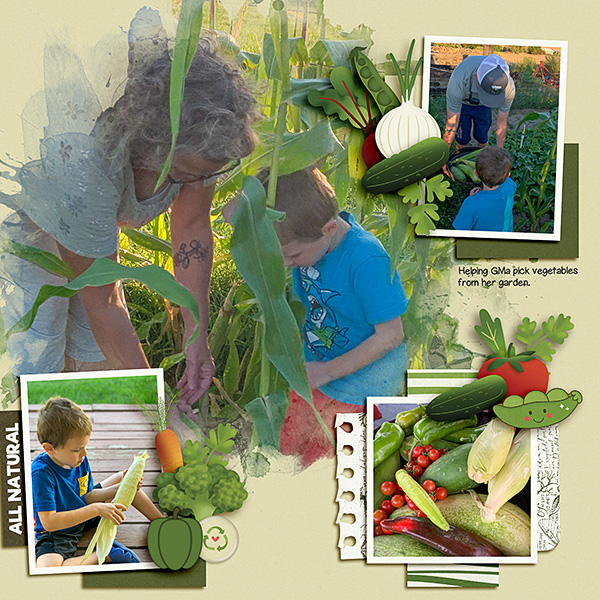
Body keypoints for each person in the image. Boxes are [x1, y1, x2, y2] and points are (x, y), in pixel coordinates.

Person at [0, 8, 259, 415]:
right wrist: (157, 409)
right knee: (34, 341)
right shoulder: (86, 163)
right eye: (185, 175)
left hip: (82, 197)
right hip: (22, 199)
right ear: (153, 150)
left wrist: (197, 337)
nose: (198, 183)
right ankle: (20, 451)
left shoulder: (202, 117)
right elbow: (103, 300)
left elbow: (190, 223)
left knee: (91, 349)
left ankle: (84, 448)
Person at [251, 167, 409, 466]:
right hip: (317, 369)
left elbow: (391, 335)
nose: (285, 264)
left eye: (293, 256)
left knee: (330, 467)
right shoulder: (307, 238)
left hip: (359, 385)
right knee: (294, 448)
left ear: (328, 229)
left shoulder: (366, 260)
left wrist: (327, 371)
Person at [31, 396, 163, 567]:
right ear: (49, 449)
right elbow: (49, 522)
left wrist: (120, 488)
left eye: (85, 446)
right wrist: (95, 509)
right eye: (77, 449)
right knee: (47, 568)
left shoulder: (78, 459)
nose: (84, 454)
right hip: (59, 532)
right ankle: (105, 554)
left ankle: (161, 522)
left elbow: (87, 496)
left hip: (85, 511)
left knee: (125, 478)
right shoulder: (42, 473)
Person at [442, 54, 515, 149]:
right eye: (485, 91)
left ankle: (482, 158)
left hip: (484, 105)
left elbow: (501, 123)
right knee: (462, 138)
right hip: (463, 103)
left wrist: (500, 152)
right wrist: (443, 158)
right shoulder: (459, 79)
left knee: (482, 137)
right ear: (476, 77)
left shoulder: (509, 88)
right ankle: (460, 157)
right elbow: (451, 122)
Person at [452, 146, 516, 232]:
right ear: (508, 175)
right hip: (505, 236)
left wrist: (473, 198)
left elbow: (460, 230)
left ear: (476, 174)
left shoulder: (471, 204)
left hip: (483, 242)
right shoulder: (510, 184)